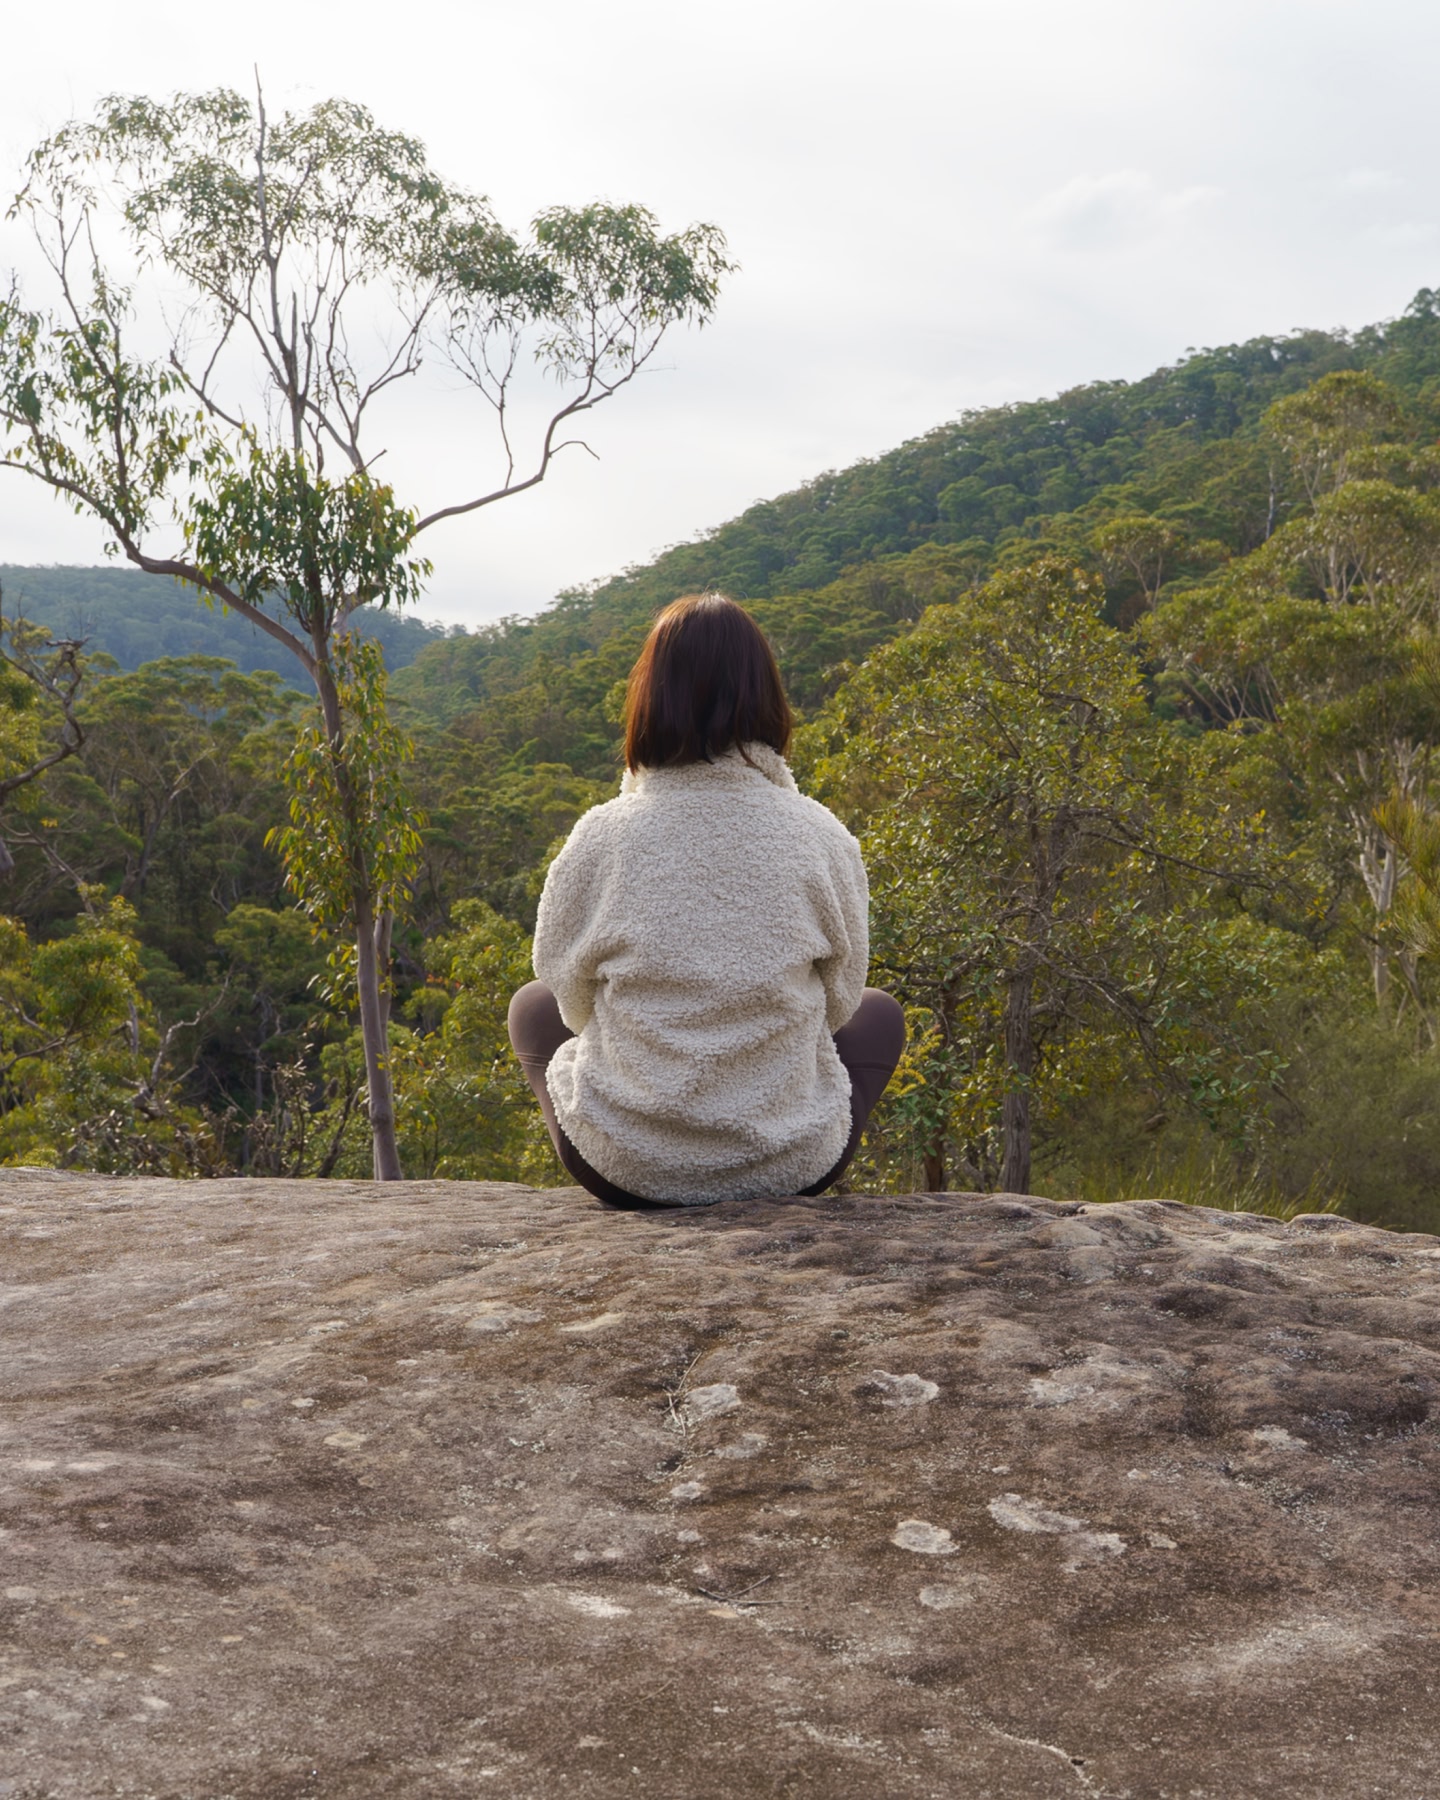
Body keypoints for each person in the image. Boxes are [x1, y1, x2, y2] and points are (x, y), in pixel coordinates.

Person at [507, 592, 905, 1208]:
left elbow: (568, 994)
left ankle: (644, 1140)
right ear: (768, 701)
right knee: (880, 1014)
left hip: (623, 1167)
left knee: (531, 1006)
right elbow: (841, 1001)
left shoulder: (602, 834)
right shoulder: (821, 834)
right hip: (790, 1161)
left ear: (649, 700)